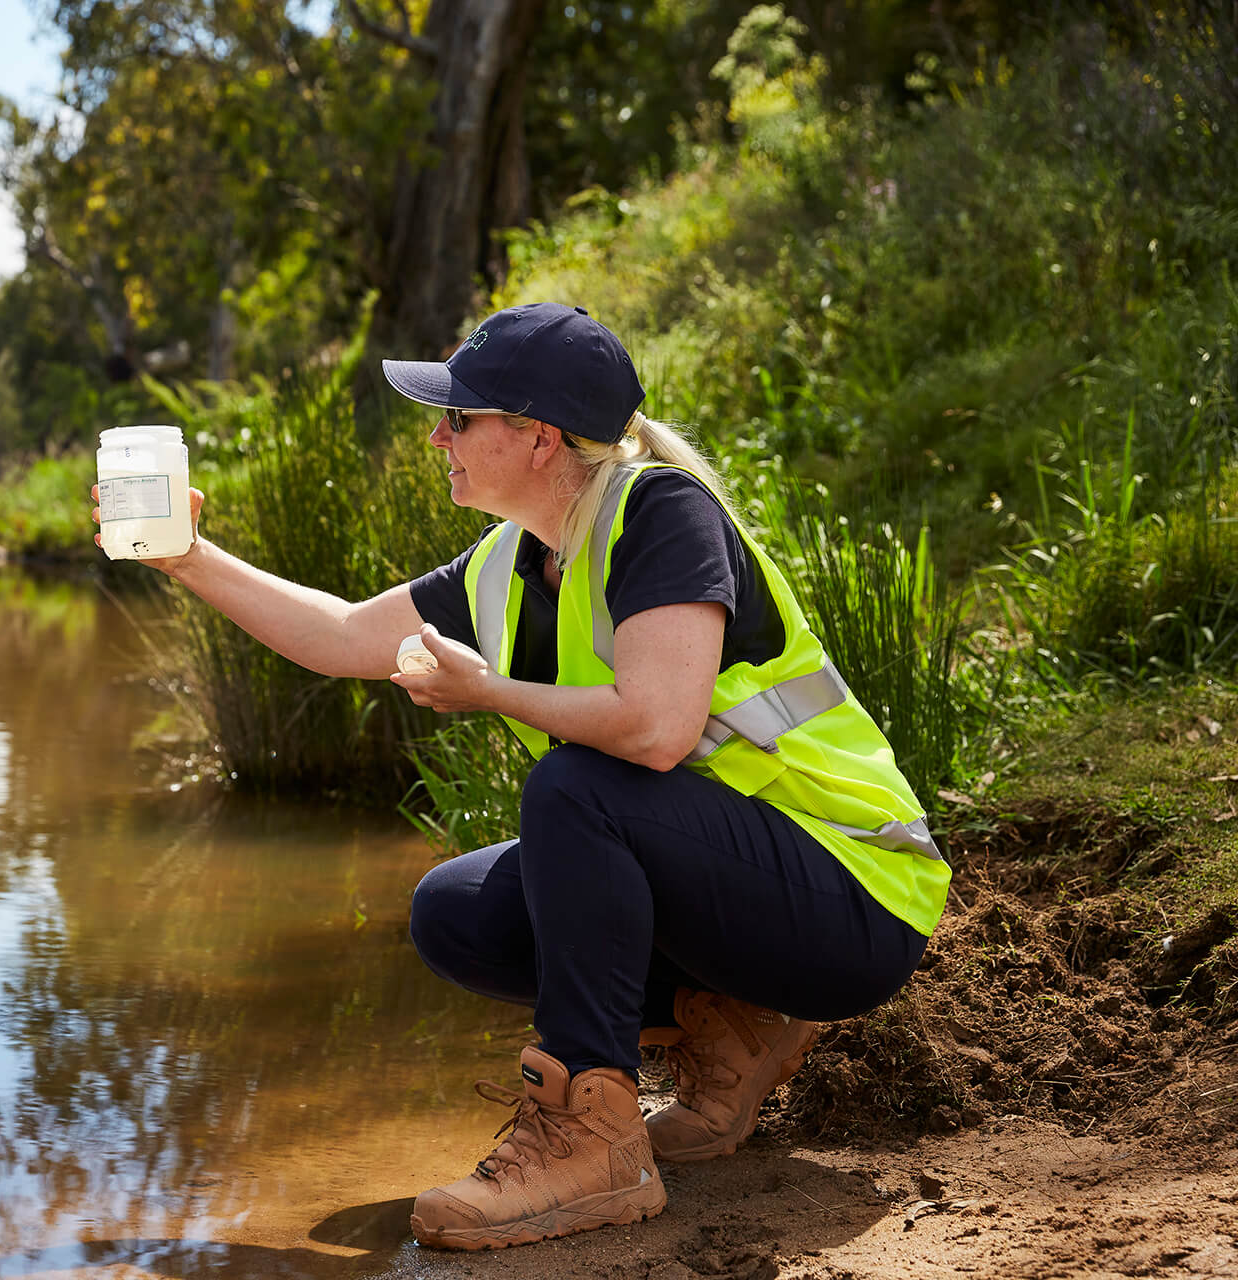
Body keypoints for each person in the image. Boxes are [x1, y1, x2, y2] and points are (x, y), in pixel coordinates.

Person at [90, 302, 950, 1252]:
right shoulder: (511, 559)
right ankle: (733, 1026)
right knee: (456, 911)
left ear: (537, 439)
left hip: (854, 902)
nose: (437, 434)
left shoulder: (662, 514)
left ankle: (590, 1142)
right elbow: (340, 638)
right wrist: (188, 557)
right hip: (752, 897)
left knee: (575, 792)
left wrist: (492, 691)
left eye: (459, 417)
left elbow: (659, 732)